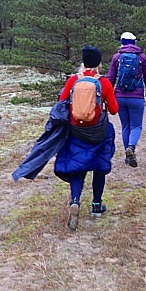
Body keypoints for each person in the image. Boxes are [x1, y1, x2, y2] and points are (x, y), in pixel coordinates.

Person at [55, 46, 119, 230]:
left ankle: (75, 201)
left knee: (77, 168)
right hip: (98, 132)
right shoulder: (104, 83)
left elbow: (61, 103)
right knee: (98, 166)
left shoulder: (73, 80)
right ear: (99, 63)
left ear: (83, 62)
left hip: (76, 132)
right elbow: (114, 110)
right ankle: (97, 206)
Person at [106, 32, 146, 167]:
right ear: (134, 42)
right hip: (136, 97)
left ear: (122, 42)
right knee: (136, 126)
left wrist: (107, 96)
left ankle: (128, 157)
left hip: (119, 97)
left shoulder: (117, 57)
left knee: (125, 126)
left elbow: (111, 78)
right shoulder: (142, 57)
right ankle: (131, 148)